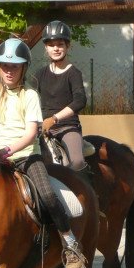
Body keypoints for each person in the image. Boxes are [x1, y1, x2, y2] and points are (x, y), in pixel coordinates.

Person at [0, 37, 87, 268]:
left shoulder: (29, 96)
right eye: (5, 66)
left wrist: (7, 150)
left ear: (23, 68)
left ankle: (70, 244)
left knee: (47, 195)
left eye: (15, 66)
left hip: (26, 157)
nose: (9, 71)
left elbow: (30, 134)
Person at [33, 20, 90, 183]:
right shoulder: (39, 74)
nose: (56, 48)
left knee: (77, 161)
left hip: (67, 127)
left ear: (68, 46)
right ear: (46, 47)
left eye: (60, 44)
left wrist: (54, 119)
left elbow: (80, 100)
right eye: (51, 45)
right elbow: (29, 98)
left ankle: (86, 199)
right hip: (42, 129)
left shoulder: (74, 73)